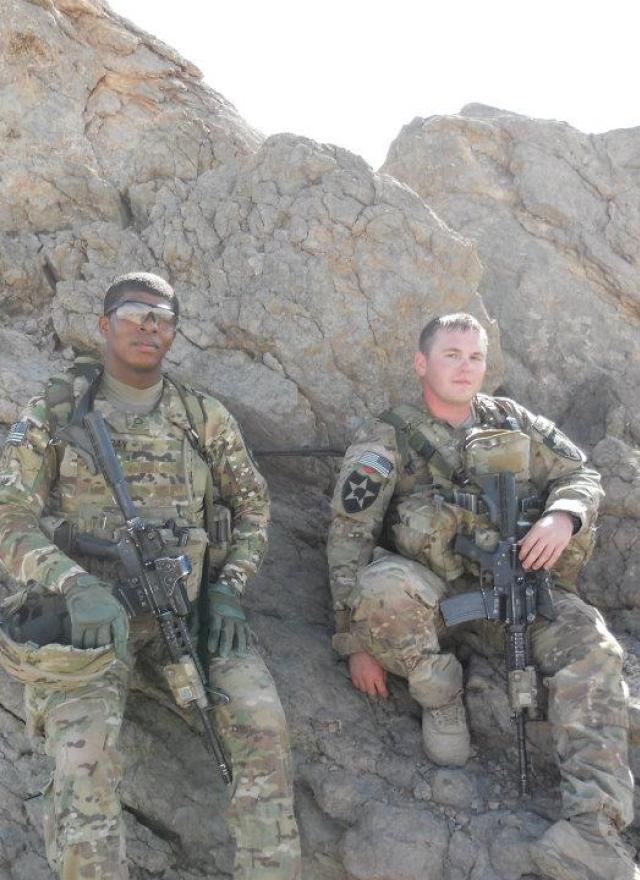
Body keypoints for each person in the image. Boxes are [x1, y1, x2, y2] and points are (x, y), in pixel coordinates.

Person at [0, 272, 301, 880]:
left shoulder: (202, 415)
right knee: (84, 761)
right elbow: (9, 515)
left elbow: (254, 507)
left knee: (262, 727)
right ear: (104, 325)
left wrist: (229, 588)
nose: (149, 327)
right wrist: (74, 584)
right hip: (87, 624)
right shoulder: (55, 411)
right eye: (134, 314)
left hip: (187, 614)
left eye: (162, 318)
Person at [327, 313, 637, 880]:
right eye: (451, 355)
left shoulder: (512, 420)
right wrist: (357, 641)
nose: (465, 367)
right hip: (438, 599)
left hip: (523, 587)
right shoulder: (387, 438)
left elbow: (581, 474)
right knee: (382, 586)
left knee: (596, 650)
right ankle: (440, 695)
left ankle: (592, 830)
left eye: (475, 357)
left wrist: (563, 516)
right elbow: (350, 539)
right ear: (421, 363)